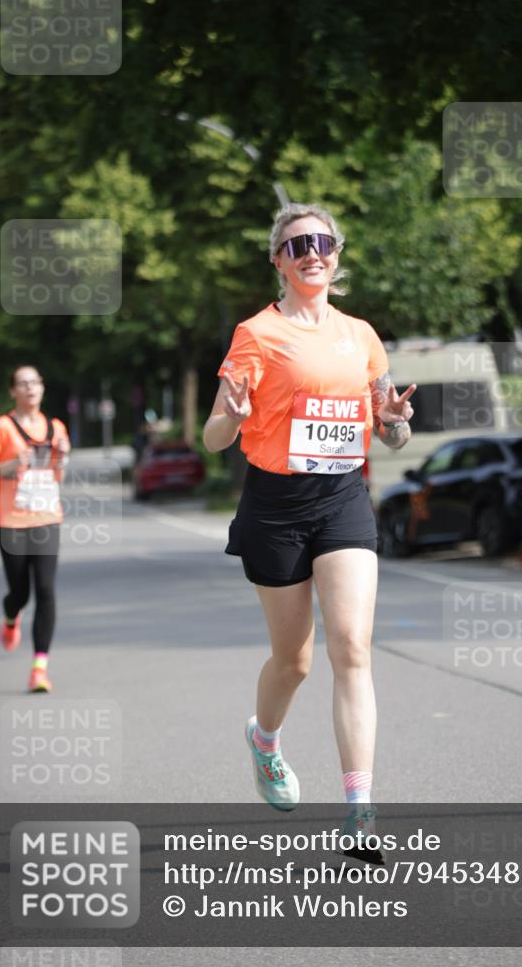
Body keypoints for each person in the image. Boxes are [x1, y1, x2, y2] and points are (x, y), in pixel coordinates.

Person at [203, 203, 415, 849]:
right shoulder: (256, 334)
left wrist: (396, 421)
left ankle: (360, 810)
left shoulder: (361, 335)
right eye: (297, 245)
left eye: (322, 242)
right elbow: (212, 439)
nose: (311, 253)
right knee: (292, 662)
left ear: (337, 254)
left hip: (342, 498)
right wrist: (232, 416)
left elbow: (395, 436)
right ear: (278, 260)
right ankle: (264, 740)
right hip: (274, 506)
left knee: (351, 647)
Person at [0, 366, 70, 692]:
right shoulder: (2, 427)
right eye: (23, 384)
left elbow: (59, 478)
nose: (30, 388)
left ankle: (39, 668)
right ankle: (10, 616)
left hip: (46, 517)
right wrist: (9, 466)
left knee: (45, 590)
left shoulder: (56, 428)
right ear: (13, 391)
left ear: (42, 388)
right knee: (20, 592)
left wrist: (62, 461)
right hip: (11, 520)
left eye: (35, 382)